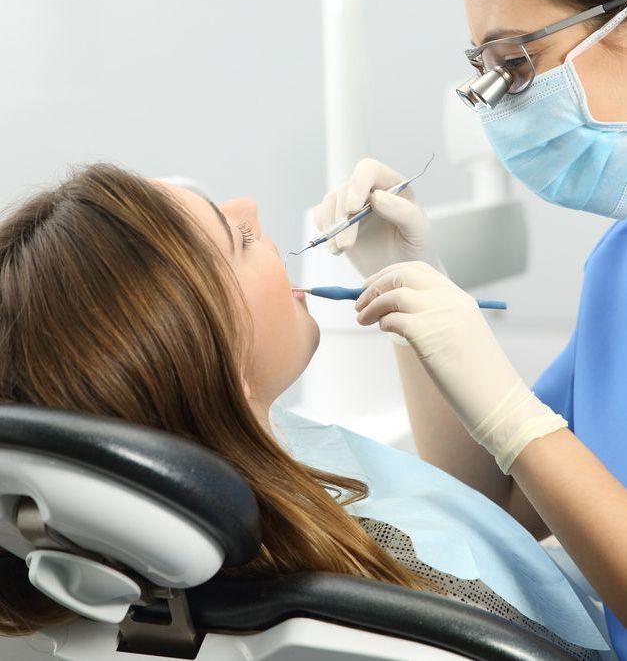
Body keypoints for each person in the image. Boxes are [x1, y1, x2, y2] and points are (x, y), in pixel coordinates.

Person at [0, 164, 604, 657]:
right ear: (210, 358)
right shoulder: (409, 595)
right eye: (236, 238)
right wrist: (511, 418)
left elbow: (480, 512)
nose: (250, 206)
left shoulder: (233, 488)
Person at [313, 0, 627, 658]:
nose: (500, 104)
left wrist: (516, 416)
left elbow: (522, 441)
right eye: (484, 72)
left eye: (516, 64)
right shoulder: (617, 262)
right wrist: (408, 283)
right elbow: (492, 497)